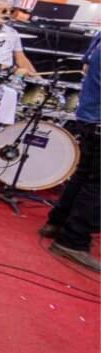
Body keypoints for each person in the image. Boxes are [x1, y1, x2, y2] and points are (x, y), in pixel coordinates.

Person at [40, 31, 100, 272]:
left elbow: (85, 67)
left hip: (89, 115)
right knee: (96, 185)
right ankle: (73, 241)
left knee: (83, 175)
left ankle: (57, 223)